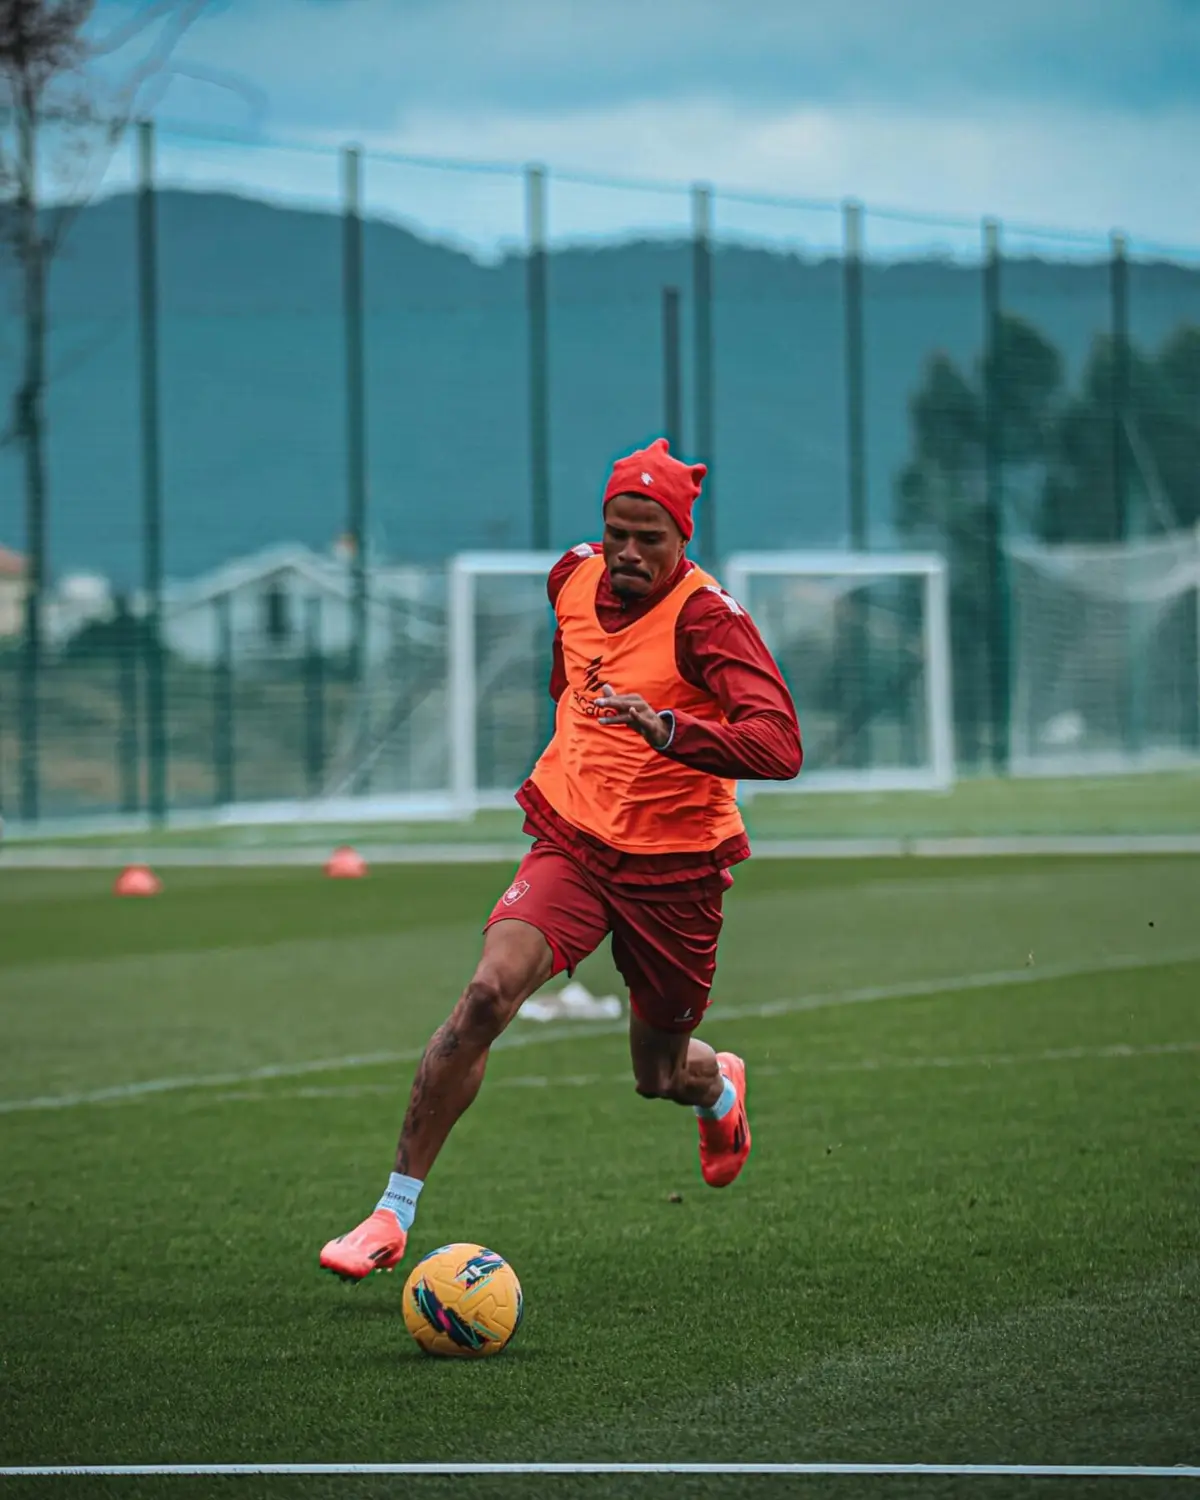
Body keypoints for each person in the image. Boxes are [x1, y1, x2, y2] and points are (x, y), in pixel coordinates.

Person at [320, 438, 802, 1281]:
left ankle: (719, 1087)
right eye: (618, 531)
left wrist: (670, 730)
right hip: (574, 840)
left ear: (682, 539)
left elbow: (779, 742)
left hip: (675, 869)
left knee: (658, 1073)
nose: (628, 552)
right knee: (484, 996)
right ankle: (391, 1213)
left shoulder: (707, 619)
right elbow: (571, 677)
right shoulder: (570, 577)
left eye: (650, 538)